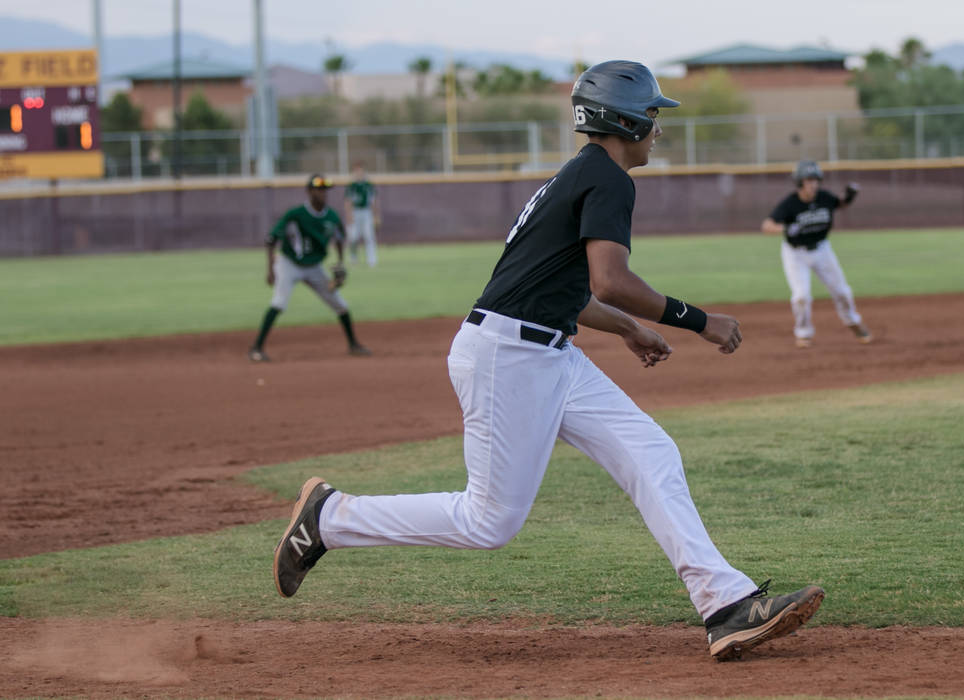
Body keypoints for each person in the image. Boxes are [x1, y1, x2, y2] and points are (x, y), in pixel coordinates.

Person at [273, 62, 823, 661]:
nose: (658, 127)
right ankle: (330, 519)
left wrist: (629, 329)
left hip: (547, 353)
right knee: (489, 523)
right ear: (626, 118)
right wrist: (700, 321)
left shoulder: (582, 175)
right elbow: (610, 280)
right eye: (653, 114)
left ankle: (724, 604)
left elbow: (569, 291)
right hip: (508, 358)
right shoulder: (609, 179)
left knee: (651, 451)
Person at [249, 174, 370, 362]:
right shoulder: (296, 214)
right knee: (279, 303)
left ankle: (353, 344)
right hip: (289, 264)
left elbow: (339, 239)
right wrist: (270, 268)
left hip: (314, 267)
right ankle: (256, 348)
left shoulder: (331, 216)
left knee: (340, 305)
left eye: (325, 189)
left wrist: (339, 262)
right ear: (309, 191)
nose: (322, 192)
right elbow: (271, 239)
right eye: (318, 189)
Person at [761, 161, 871, 348]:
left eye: (815, 180)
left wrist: (849, 196)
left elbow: (840, 204)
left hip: (822, 250)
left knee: (842, 291)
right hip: (796, 254)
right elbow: (766, 226)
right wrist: (786, 228)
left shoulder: (824, 197)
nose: (813, 184)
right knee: (801, 296)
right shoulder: (790, 204)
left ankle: (854, 323)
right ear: (799, 183)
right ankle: (803, 334)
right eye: (808, 180)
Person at [344, 162, 380, 267]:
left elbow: (373, 201)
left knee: (369, 236)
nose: (359, 173)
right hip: (355, 211)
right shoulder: (352, 186)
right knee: (353, 237)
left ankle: (372, 260)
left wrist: (376, 215)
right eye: (357, 171)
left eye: (361, 171)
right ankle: (353, 258)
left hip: (366, 212)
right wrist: (349, 215)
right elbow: (347, 202)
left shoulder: (368, 185)